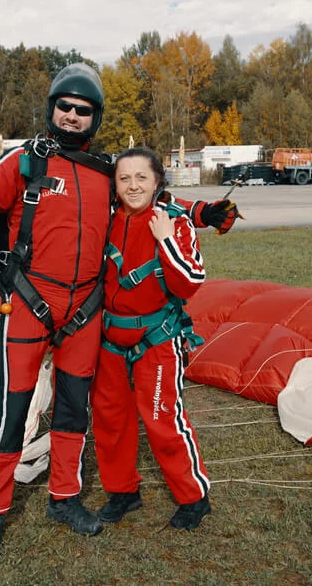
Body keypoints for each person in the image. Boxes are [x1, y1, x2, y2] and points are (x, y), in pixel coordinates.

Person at [0, 63, 239, 564]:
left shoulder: (105, 172)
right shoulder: (23, 164)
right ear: (52, 109)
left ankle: (64, 497)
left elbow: (153, 197)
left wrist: (205, 212)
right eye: (66, 107)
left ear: (95, 117)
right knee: (12, 415)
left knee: (74, 411)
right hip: (30, 306)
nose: (73, 116)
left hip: (84, 313)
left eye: (84, 110)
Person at [90, 147, 211, 531]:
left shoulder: (173, 222)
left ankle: (194, 497)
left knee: (161, 417)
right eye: (124, 178)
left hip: (157, 339)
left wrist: (165, 240)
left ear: (158, 180)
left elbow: (189, 282)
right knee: (110, 419)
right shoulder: (106, 221)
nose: (133, 185)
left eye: (141, 177)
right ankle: (123, 492)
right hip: (110, 339)